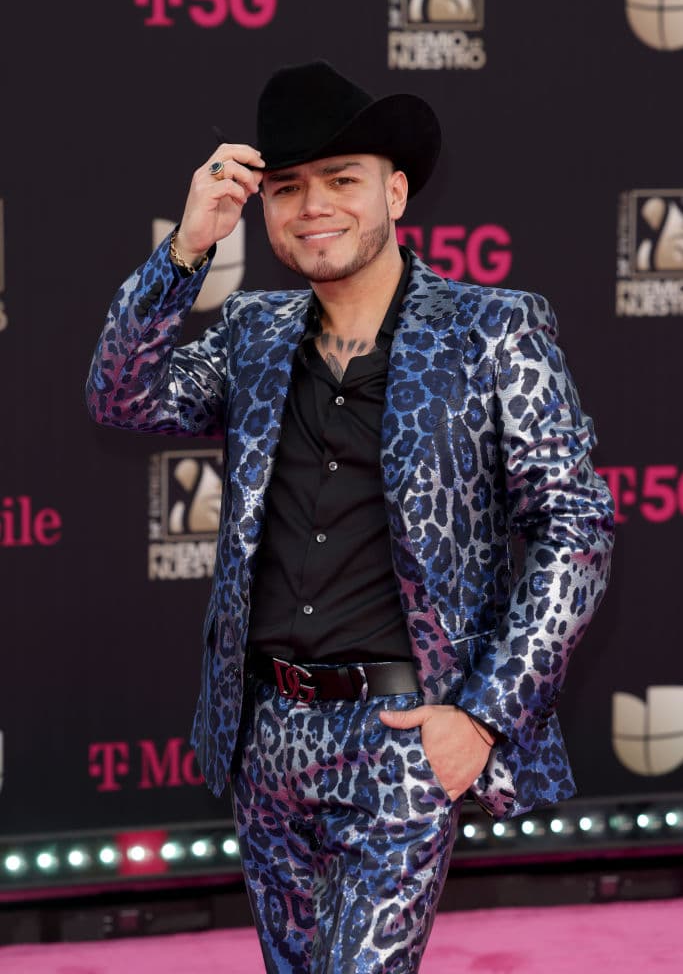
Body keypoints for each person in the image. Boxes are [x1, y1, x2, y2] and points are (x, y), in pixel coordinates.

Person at [86, 60, 614, 973]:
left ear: (395, 191)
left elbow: (576, 529)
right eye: (286, 189)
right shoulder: (253, 333)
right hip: (269, 740)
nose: (313, 206)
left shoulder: (491, 330)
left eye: (341, 180)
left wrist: (480, 720)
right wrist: (186, 252)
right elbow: (121, 399)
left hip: (403, 738)